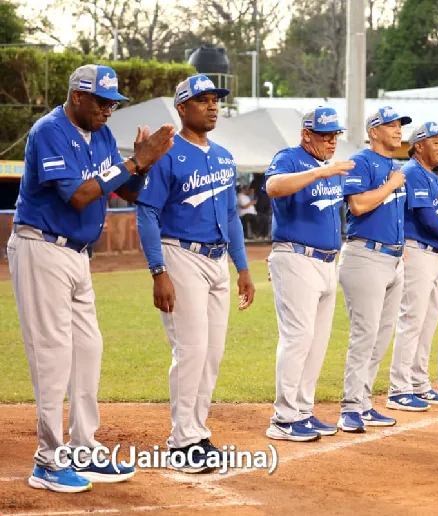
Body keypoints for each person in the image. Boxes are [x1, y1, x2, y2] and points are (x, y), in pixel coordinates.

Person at [9, 64, 174, 492]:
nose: (107, 110)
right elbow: (80, 195)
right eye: (101, 102)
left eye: (113, 103)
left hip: (78, 254)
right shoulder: (49, 130)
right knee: (52, 354)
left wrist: (138, 168)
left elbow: (129, 193)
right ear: (77, 97)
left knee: (88, 349)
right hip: (42, 246)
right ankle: (47, 460)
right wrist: (134, 160)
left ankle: (83, 446)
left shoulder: (100, 134)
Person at [136, 74, 256, 472]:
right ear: (182, 108)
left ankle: (197, 432)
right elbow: (148, 212)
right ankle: (181, 440)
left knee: (212, 354)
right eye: (202, 100)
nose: (212, 106)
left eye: (215, 100)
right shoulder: (167, 154)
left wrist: (242, 267)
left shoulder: (222, 156)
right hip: (180, 255)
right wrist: (158, 271)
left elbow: (230, 216)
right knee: (190, 351)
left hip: (218, 259)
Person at [262, 106, 353, 442]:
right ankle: (283, 418)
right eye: (325, 135)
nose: (332, 142)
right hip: (297, 257)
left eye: (335, 136)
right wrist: (320, 173)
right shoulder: (290, 158)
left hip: (327, 261)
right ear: (306, 134)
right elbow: (273, 187)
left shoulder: (331, 168)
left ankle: (302, 411)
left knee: (316, 343)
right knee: (298, 338)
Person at [337, 106, 409, 433]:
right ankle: (350, 408)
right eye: (391, 125)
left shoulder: (394, 166)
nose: (398, 130)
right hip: (364, 255)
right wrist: (393, 184)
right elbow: (359, 204)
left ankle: (364, 403)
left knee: (381, 337)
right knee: (364, 335)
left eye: (399, 125)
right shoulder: (363, 162)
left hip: (392, 259)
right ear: (373, 131)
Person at [387, 122, 438, 412]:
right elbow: (428, 216)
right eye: (436, 142)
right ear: (419, 146)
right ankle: (398, 389)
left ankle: (418, 383)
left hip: (434, 253)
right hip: (416, 251)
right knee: (412, 321)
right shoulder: (413, 172)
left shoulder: (432, 176)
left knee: (428, 320)